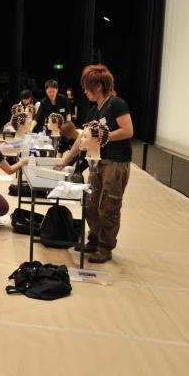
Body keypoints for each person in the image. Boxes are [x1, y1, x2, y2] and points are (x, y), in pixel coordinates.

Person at [54, 64, 133, 263]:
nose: (84, 91)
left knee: (109, 206)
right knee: (90, 205)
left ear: (98, 86)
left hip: (116, 162)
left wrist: (102, 136)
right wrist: (66, 160)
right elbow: (83, 138)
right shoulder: (93, 111)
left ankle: (105, 247)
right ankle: (95, 239)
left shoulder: (117, 104)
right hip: (96, 162)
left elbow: (128, 131)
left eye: (87, 87)